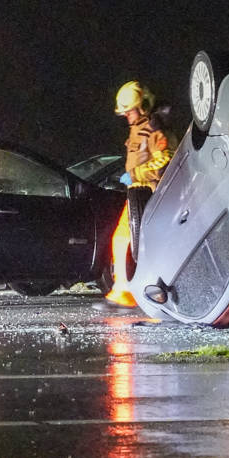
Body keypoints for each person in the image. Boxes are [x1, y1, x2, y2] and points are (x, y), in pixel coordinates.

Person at [104, 80, 173, 308]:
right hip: (137, 195)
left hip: (150, 195)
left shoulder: (153, 130)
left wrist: (135, 175)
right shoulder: (137, 129)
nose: (126, 116)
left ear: (142, 106)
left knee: (146, 245)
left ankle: (150, 292)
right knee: (123, 239)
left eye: (129, 111)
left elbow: (165, 161)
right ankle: (123, 290)